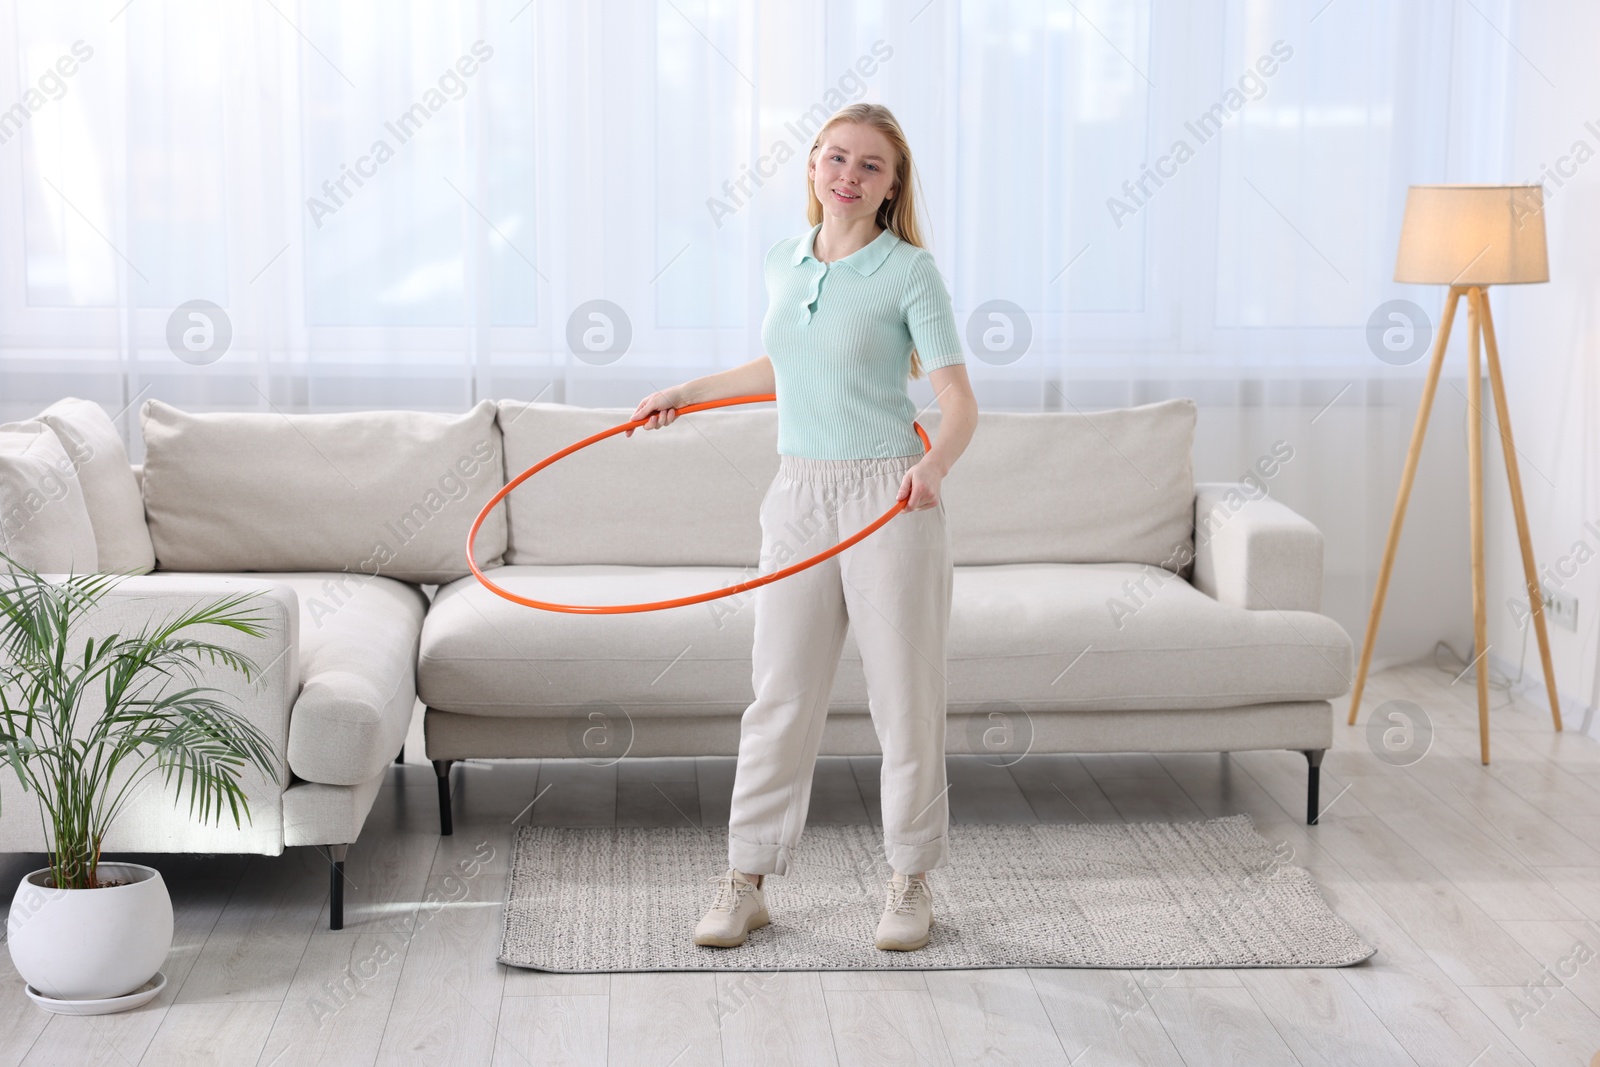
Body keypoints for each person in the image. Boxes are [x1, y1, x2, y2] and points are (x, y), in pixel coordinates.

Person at [629, 103, 978, 952]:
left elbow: (960, 406)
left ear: (892, 187)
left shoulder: (909, 273)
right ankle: (746, 880)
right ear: (813, 167)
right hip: (797, 495)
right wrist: (687, 391)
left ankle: (909, 879)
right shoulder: (783, 260)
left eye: (869, 166)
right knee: (779, 694)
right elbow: (784, 366)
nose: (847, 176)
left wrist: (928, 470)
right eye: (834, 159)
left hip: (889, 498)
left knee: (904, 699)